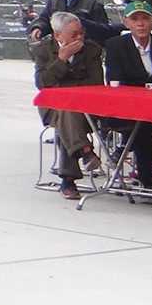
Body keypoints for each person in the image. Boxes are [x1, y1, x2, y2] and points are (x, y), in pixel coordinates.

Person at [34, 11, 107, 200]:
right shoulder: (43, 50)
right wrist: (61, 60)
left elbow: (96, 83)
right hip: (51, 106)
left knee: (67, 115)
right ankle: (84, 151)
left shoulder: (91, 49)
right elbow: (42, 83)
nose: (80, 37)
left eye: (81, 32)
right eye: (73, 34)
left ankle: (70, 177)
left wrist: (64, 88)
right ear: (58, 35)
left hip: (85, 108)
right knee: (65, 113)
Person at [102, 0, 152, 196]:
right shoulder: (115, 46)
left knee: (150, 127)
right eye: (135, 19)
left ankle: (147, 180)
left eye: (145, 18)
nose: (140, 23)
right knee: (142, 127)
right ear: (126, 23)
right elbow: (114, 79)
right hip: (127, 110)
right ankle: (148, 184)